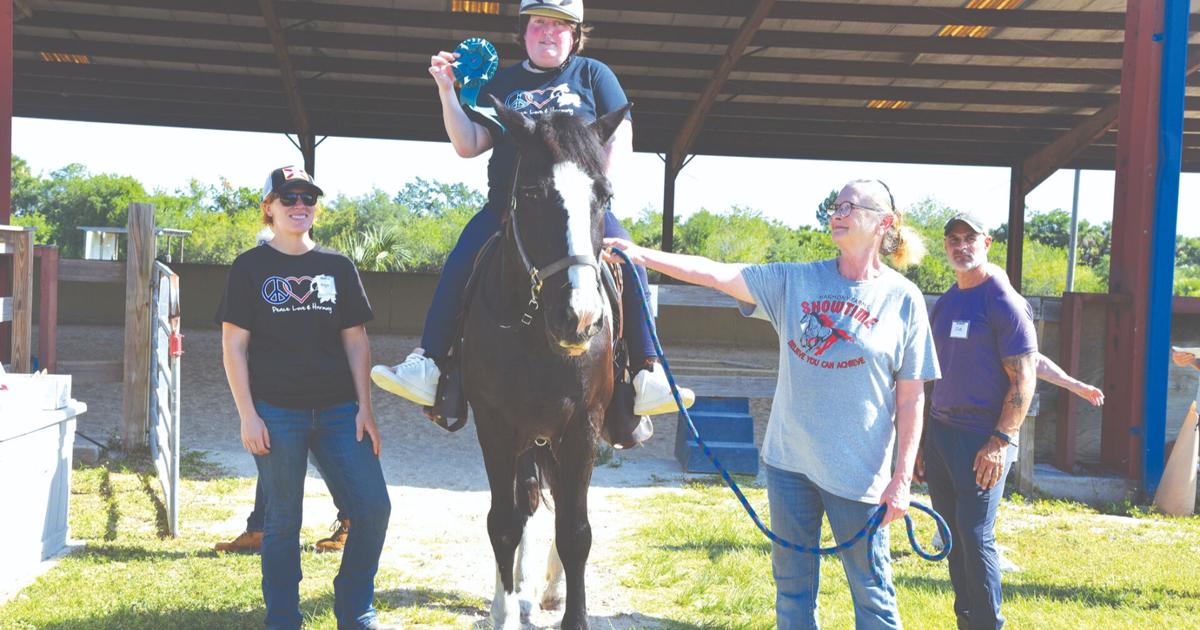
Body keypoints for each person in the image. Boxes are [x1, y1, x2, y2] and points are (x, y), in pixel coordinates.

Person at [607, 179, 940, 629]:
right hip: (790, 466)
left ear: (885, 223)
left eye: (850, 205)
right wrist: (640, 254)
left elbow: (912, 396)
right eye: (834, 205)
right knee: (792, 592)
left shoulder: (904, 299)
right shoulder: (795, 280)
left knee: (872, 594)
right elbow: (715, 272)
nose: (837, 212)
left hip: (860, 476)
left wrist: (902, 479)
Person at [369, 0, 693, 440]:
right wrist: (447, 90)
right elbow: (469, 143)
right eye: (539, 23)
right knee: (461, 259)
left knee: (629, 260)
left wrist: (593, 192)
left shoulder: (594, 75)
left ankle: (646, 372)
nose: (548, 33)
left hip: (579, 206)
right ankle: (428, 364)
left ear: (575, 35)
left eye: (560, 26)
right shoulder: (502, 81)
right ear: (523, 32)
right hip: (510, 206)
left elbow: (621, 135)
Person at [217, 166, 391, 630]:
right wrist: (247, 415)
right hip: (276, 412)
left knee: (373, 508)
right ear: (269, 208)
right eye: (288, 198)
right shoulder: (249, 267)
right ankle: (283, 619)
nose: (300, 206)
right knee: (282, 522)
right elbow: (234, 344)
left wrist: (365, 410)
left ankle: (355, 610)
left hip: (339, 412)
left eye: (308, 198)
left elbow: (356, 342)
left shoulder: (338, 267)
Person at [923, 212, 1038, 630]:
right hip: (940, 434)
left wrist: (1000, 441)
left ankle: (989, 625)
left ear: (987, 242)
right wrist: (921, 443)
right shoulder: (946, 303)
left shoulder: (1002, 300)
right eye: (952, 239)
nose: (960, 245)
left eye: (969, 238)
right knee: (953, 537)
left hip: (983, 438)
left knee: (975, 536)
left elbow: (1024, 378)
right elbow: (931, 374)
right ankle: (966, 621)